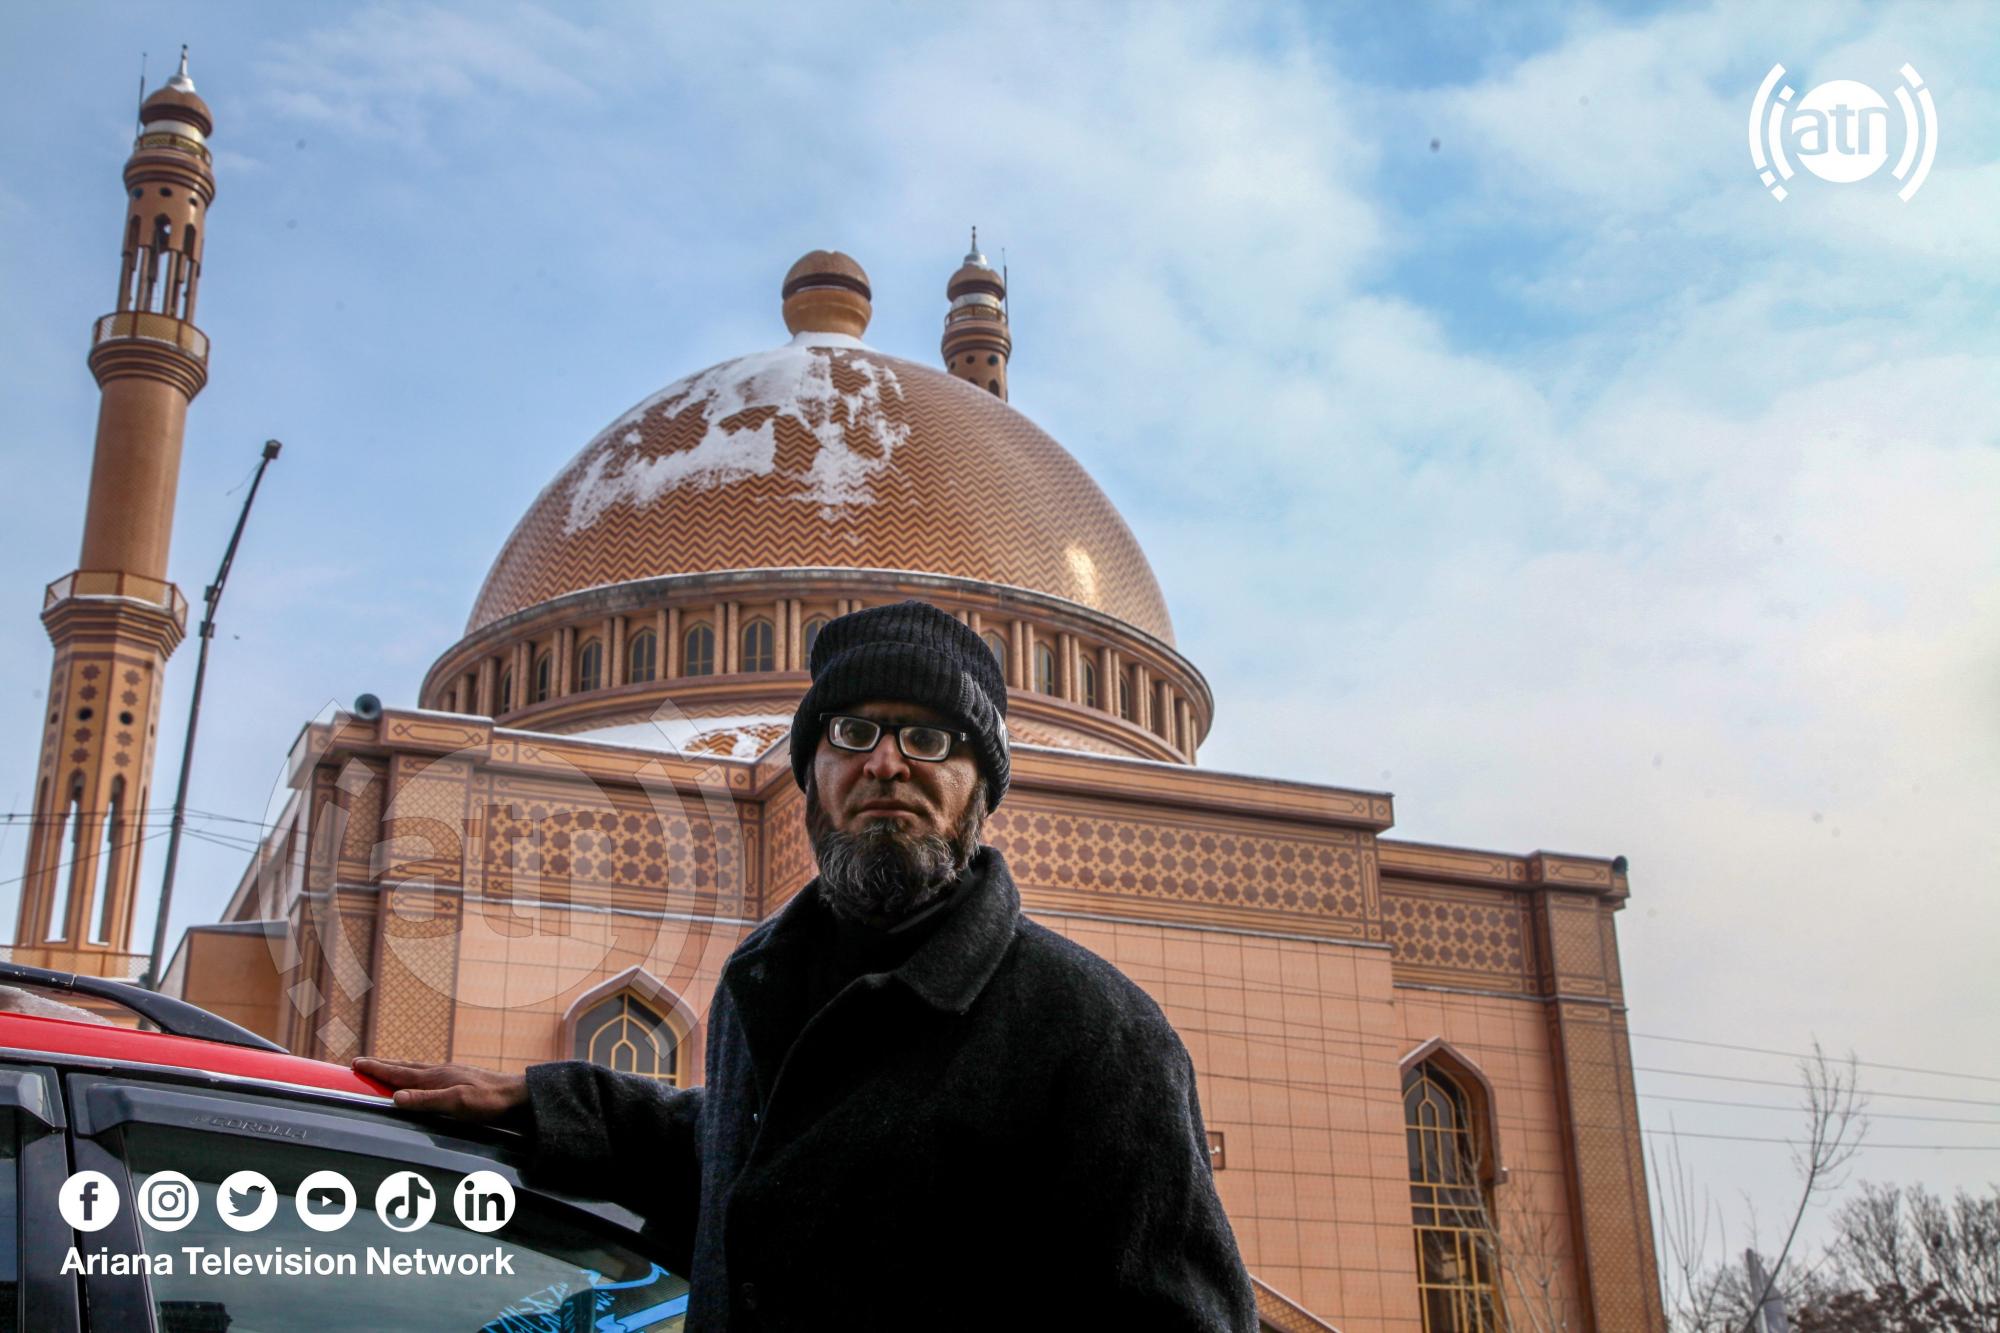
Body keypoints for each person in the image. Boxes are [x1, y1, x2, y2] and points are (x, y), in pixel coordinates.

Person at [358, 600, 1257, 1330]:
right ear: (811, 772)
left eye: (929, 739)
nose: (886, 763)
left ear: (981, 787)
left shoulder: (1093, 1034)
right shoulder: (762, 982)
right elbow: (766, 1156)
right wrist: (556, 1103)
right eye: (854, 732)